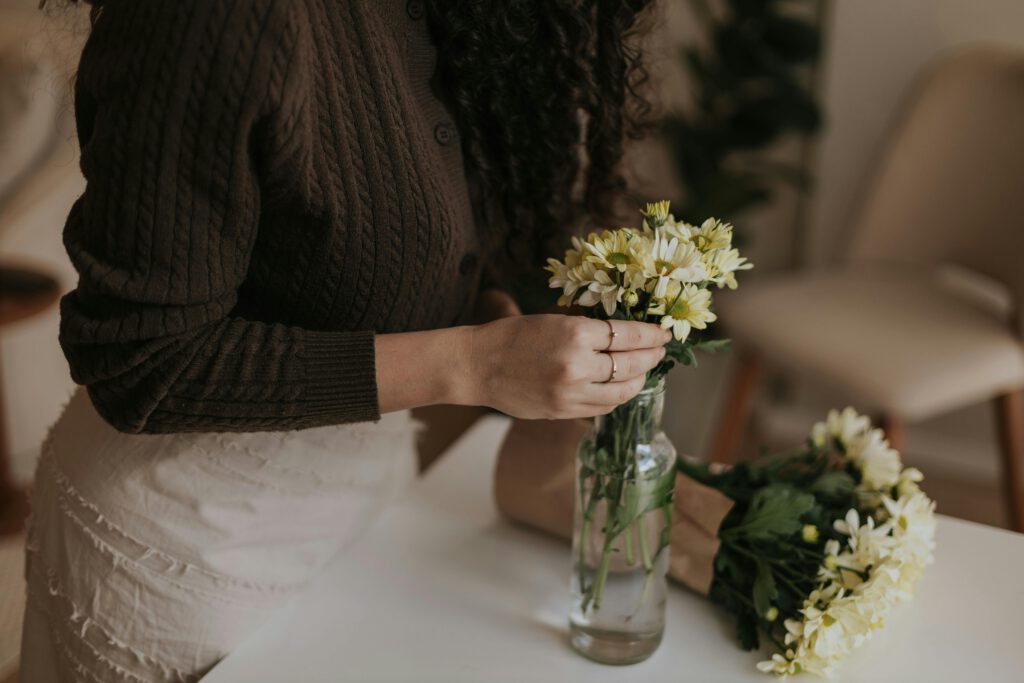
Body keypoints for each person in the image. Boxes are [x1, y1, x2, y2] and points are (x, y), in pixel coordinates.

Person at [20, 0, 668, 680]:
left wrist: (483, 315)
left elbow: (340, 235)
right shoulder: (208, 17)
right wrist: (478, 361)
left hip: (372, 502)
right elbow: (141, 360)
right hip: (182, 556)